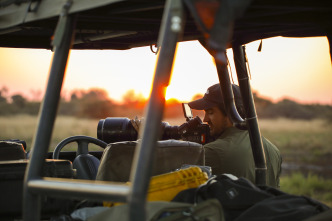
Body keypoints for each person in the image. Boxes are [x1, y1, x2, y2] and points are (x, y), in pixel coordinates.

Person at [188, 83, 282, 187]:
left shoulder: (214, 151)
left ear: (230, 113)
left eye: (210, 112)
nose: (205, 119)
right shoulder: (273, 150)